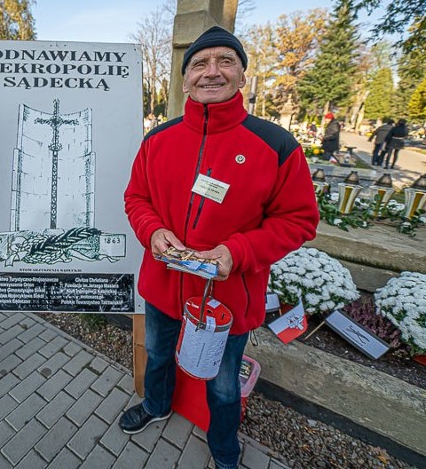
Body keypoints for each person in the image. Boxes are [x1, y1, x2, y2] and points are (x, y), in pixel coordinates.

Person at [120, 25, 319, 468]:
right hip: (163, 284)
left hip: (227, 296)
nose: (212, 72)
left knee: (224, 380)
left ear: (243, 75)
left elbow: (299, 219)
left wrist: (238, 252)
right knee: (156, 354)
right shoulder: (157, 140)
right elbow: (136, 198)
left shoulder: (277, 145)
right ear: (185, 77)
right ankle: (157, 405)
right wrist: (152, 232)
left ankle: (224, 446)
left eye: (224, 61)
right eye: (199, 64)